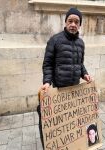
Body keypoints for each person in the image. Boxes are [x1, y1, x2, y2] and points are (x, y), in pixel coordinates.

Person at [39, 7, 92, 149]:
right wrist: (46, 82)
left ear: (79, 24)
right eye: (70, 21)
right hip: (58, 90)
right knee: (55, 122)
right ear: (65, 22)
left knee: (70, 122)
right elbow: (48, 64)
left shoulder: (81, 43)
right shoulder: (55, 40)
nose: (73, 24)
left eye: (76, 22)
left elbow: (80, 64)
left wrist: (85, 74)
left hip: (74, 89)